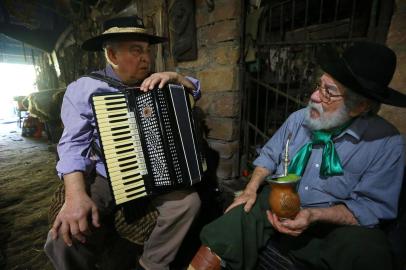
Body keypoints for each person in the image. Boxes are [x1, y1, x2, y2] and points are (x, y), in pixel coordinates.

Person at [189, 42, 406, 270]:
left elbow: (370, 208)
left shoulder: (387, 143)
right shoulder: (299, 119)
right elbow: (269, 156)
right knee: (236, 217)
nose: (313, 96)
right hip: (281, 201)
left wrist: (313, 215)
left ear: (359, 106)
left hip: (332, 224)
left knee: (370, 251)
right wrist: (250, 189)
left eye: (329, 92)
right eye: (319, 85)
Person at [44, 15, 202, 270]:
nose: (146, 59)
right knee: (63, 237)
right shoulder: (84, 88)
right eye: (136, 51)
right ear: (112, 56)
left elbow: (195, 90)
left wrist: (177, 77)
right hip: (103, 173)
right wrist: (75, 196)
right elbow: (72, 144)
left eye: (147, 51)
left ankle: (150, 264)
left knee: (188, 203)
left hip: (157, 171)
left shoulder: (157, 82)